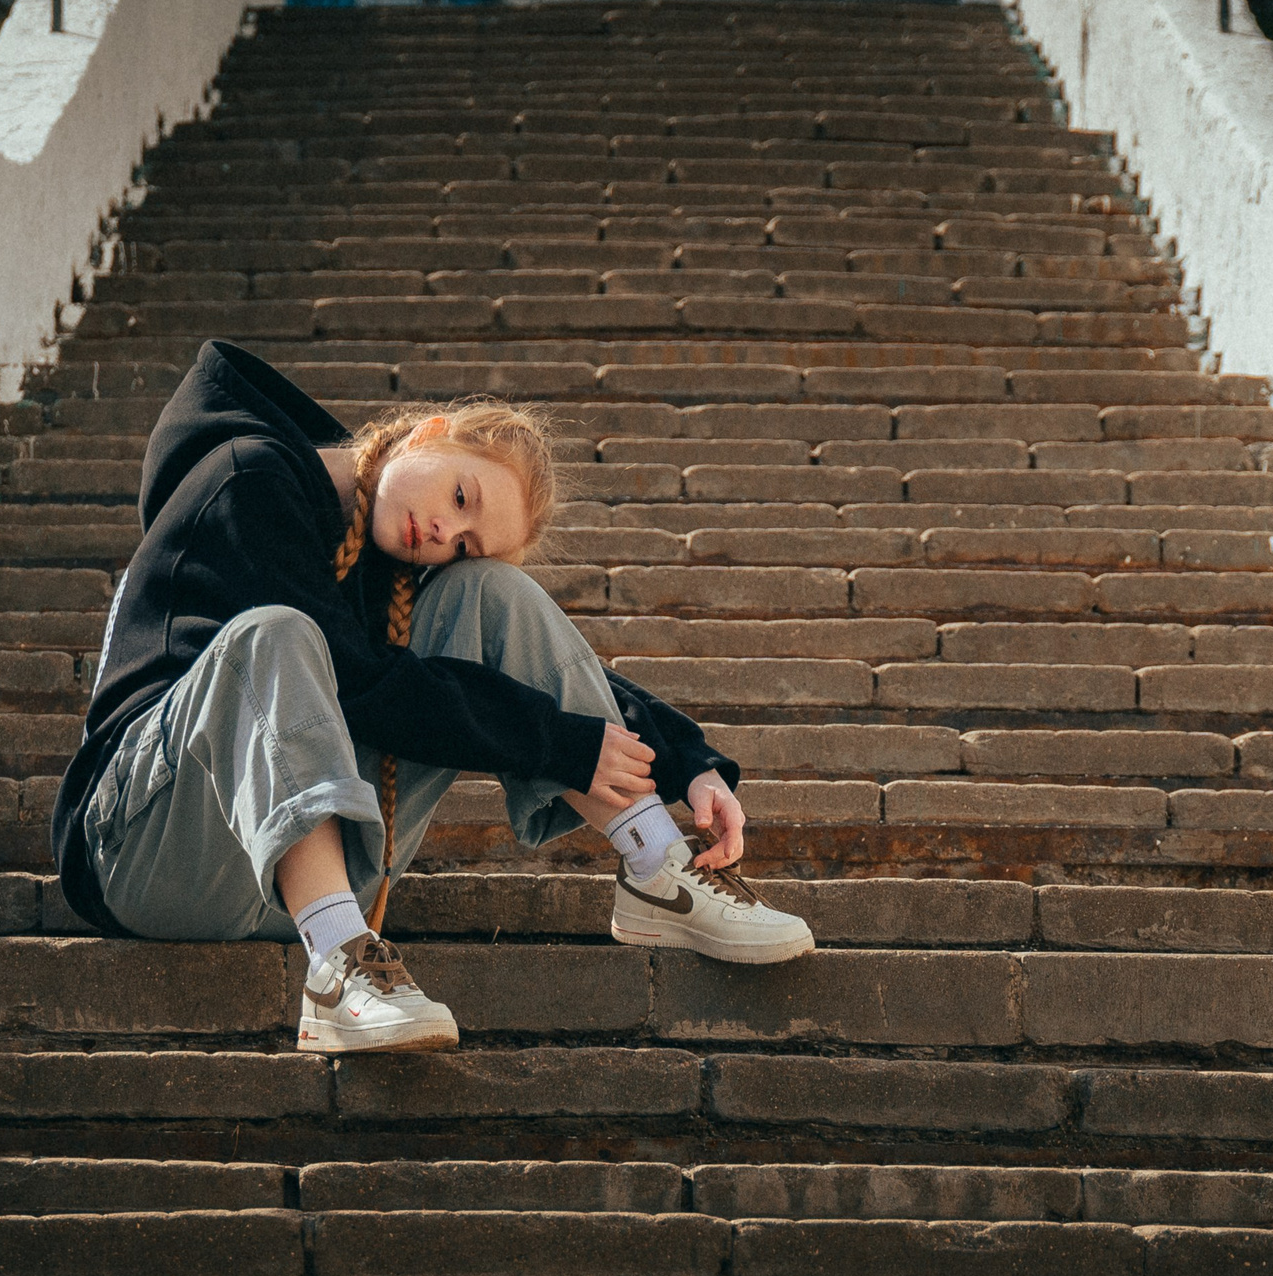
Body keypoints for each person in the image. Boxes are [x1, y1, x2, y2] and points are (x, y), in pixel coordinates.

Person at [50, 338, 815, 1055]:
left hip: (279, 880)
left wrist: (688, 764)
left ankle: (656, 863)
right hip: (142, 850)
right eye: (459, 494)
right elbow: (361, 684)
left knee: (492, 594)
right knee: (275, 635)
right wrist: (561, 744)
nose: (443, 530)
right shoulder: (247, 479)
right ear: (426, 433)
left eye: (462, 537)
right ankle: (339, 966)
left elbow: (513, 675)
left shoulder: (399, 555)